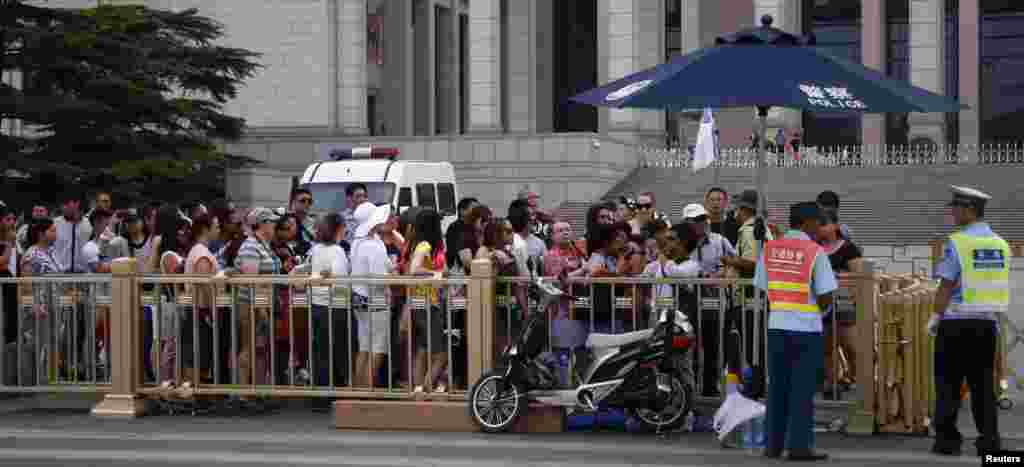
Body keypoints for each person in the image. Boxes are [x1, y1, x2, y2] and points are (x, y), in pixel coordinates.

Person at [754, 201, 837, 461]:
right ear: (807, 222)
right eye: (818, 222)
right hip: (806, 329)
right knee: (802, 389)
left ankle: (773, 445)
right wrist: (818, 313)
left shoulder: (769, 249)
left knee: (777, 387)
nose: (821, 228)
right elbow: (826, 294)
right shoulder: (815, 252)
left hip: (777, 325)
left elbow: (764, 286)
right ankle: (799, 446)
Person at [929, 186, 1006, 457]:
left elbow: (946, 284)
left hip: (956, 322)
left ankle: (947, 442)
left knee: (948, 384)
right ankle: (990, 442)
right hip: (987, 324)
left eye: (956, 207)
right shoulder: (999, 243)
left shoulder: (958, 242)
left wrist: (935, 316)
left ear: (969, 210)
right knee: (983, 386)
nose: (951, 212)